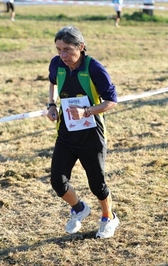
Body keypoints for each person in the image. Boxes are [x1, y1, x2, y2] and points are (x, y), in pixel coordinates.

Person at [46, 26, 119, 239]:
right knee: (58, 182)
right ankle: (79, 208)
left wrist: (86, 111)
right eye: (59, 49)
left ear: (81, 47)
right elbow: (52, 82)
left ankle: (109, 217)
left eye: (67, 49)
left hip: (91, 134)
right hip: (66, 133)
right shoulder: (56, 63)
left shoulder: (95, 68)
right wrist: (51, 105)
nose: (63, 55)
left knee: (97, 183)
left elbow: (111, 101)